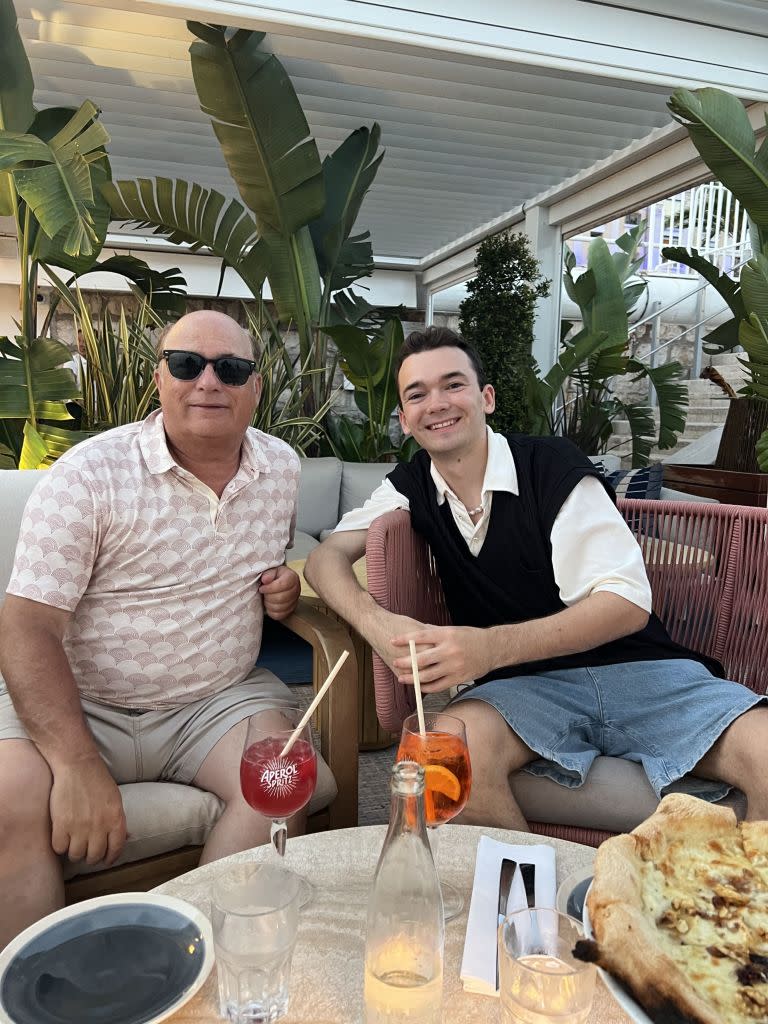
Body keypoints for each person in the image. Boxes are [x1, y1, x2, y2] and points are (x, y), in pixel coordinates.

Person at [305, 325, 768, 832]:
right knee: (452, 759)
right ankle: (525, 907)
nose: (435, 402)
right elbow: (325, 559)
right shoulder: (411, 484)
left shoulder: (550, 465)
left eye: (453, 385)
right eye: (417, 394)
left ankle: (738, 902)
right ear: (405, 419)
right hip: (521, 690)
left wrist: (485, 649)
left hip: (644, 671)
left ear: (486, 397)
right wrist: (377, 625)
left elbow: (625, 603)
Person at [0, 310, 304, 947]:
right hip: (81, 701)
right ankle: (30, 994)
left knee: (280, 781)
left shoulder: (281, 469)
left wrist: (285, 587)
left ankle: (208, 964)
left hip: (211, 703)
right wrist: (76, 763)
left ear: (254, 386)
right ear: (159, 378)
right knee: (9, 800)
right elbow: (26, 628)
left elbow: (261, 564)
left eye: (232, 368)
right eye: (187, 364)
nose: (209, 382)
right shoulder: (88, 475)